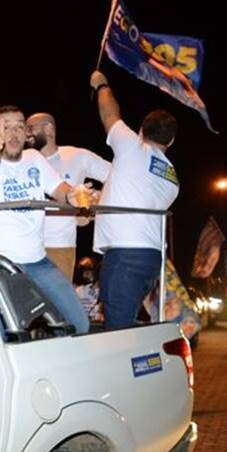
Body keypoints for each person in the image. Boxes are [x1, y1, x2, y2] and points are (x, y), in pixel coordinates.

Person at [0, 105, 89, 334]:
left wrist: (72, 195)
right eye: (6, 127)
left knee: (79, 324)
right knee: (2, 332)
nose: (13, 133)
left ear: (26, 133)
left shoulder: (34, 158)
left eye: (19, 127)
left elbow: (59, 188)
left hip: (37, 261)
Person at [90, 70, 180, 330]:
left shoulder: (132, 146)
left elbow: (109, 114)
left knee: (118, 331)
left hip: (125, 255)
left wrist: (101, 84)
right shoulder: (173, 177)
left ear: (140, 131)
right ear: (171, 141)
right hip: (151, 256)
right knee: (127, 322)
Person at [26, 112, 111, 279]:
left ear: (49, 129)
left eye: (30, 128)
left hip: (59, 247)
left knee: (58, 305)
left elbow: (117, 179)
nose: (26, 134)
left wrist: (92, 208)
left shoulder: (77, 156)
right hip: (23, 246)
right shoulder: (23, 160)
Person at [73, 256, 104, 324]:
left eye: (88, 271)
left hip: (99, 326)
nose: (85, 275)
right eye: (83, 272)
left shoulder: (104, 291)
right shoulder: (78, 290)